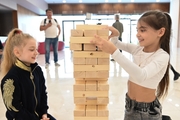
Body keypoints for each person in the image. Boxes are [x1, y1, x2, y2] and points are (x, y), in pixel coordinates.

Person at [91, 10, 171, 120]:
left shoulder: (162, 56)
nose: (138, 34)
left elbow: (141, 76)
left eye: (142, 30)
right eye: (137, 30)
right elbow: (116, 44)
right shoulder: (138, 49)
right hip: (130, 105)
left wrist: (114, 52)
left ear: (160, 32)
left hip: (146, 112)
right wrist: (115, 35)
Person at [0, 28, 56, 120]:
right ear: (17, 52)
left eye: (36, 49)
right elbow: (15, 110)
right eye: (31, 50)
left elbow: (43, 94)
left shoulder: (37, 70)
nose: (36, 53)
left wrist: (44, 114)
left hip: (39, 115)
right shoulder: (10, 79)